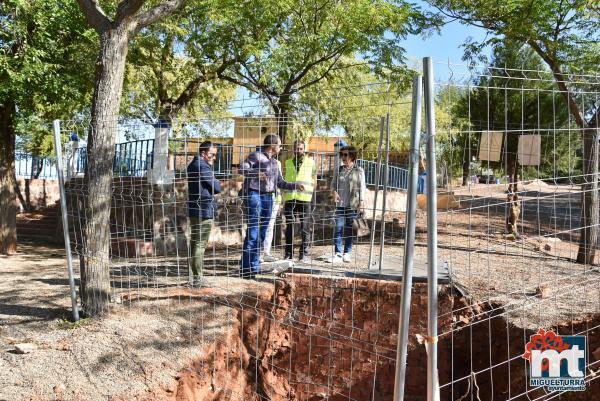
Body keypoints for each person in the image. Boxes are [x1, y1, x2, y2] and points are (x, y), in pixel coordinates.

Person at [239, 134, 305, 279]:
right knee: (253, 233)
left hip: (269, 198)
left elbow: (280, 183)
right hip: (255, 195)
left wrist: (295, 185)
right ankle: (245, 269)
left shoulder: (275, 163)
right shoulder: (256, 156)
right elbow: (242, 169)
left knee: (262, 233)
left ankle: (254, 267)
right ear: (273, 145)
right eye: (280, 145)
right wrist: (256, 172)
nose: (281, 148)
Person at [187, 141, 221, 287]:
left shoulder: (192, 165)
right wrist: (215, 181)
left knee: (194, 244)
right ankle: (198, 279)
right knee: (200, 244)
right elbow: (217, 187)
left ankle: (192, 277)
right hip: (204, 209)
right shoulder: (202, 166)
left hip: (194, 209)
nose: (214, 158)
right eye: (212, 155)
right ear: (203, 153)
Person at [327, 145, 366, 263]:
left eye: (346, 155)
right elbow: (333, 184)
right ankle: (338, 254)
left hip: (352, 204)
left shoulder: (359, 170)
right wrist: (334, 193)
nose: (343, 157)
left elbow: (362, 187)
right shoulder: (339, 170)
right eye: (341, 154)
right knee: (338, 228)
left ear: (352, 156)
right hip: (340, 204)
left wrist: (362, 201)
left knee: (349, 229)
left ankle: (347, 253)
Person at [283, 140, 316, 262]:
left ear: (304, 149)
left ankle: (304, 254)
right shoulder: (287, 162)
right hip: (290, 198)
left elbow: (314, 178)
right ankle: (288, 254)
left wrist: (311, 191)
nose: (298, 151)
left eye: (301, 149)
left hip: (305, 199)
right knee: (289, 227)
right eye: (296, 148)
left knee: (305, 228)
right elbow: (284, 180)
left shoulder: (311, 162)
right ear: (293, 149)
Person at [262, 158, 282, 262]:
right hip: (262, 197)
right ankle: (257, 252)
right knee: (260, 225)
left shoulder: (277, 163)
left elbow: (280, 181)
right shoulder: (258, 160)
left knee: (270, 225)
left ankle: (266, 252)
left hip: (275, 198)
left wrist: (279, 199)